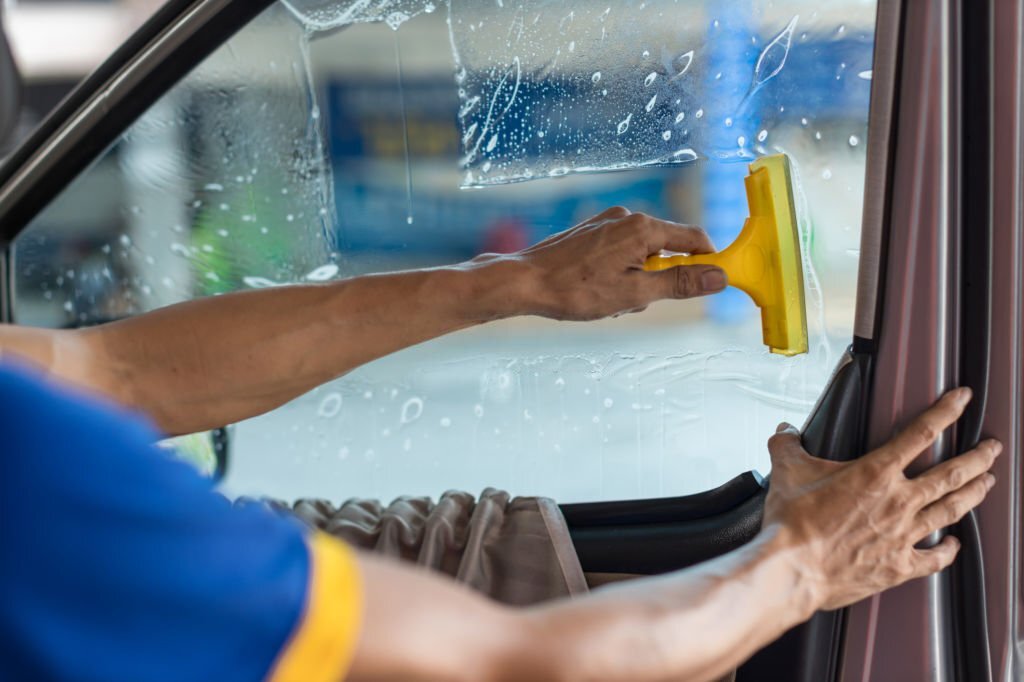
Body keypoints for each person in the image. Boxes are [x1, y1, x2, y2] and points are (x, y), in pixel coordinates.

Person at [0, 208, 1001, 681]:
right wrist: (804, 566)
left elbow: (118, 375)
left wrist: (511, 284)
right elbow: (519, 666)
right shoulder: (53, 516)